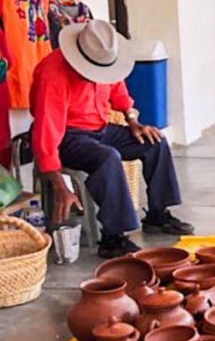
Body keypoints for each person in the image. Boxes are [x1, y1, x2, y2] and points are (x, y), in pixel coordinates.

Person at [30, 20, 194, 259]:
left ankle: (158, 214)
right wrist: (60, 186)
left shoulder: (105, 58)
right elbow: (46, 135)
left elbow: (119, 93)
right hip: (67, 136)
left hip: (100, 129)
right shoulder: (53, 74)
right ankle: (113, 238)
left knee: (154, 142)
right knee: (108, 157)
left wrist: (134, 122)